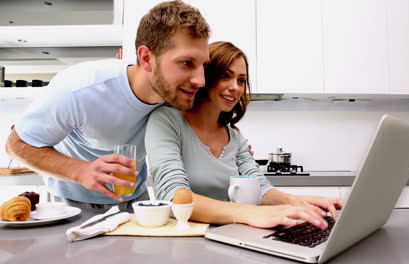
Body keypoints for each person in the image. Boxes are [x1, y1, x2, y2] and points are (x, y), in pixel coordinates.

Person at [4, 0, 211, 212]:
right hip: (69, 204)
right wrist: (82, 171)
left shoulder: (178, 95)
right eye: (186, 63)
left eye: (203, 65)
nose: (200, 80)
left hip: (135, 199)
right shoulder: (81, 88)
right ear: (147, 58)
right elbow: (16, 145)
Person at [145, 42, 342, 229]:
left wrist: (304, 203)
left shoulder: (235, 137)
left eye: (241, 80)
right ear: (205, 76)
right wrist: (249, 213)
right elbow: (172, 195)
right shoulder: (166, 121)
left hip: (227, 237)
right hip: (182, 242)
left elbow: (261, 189)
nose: (236, 87)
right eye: (225, 76)